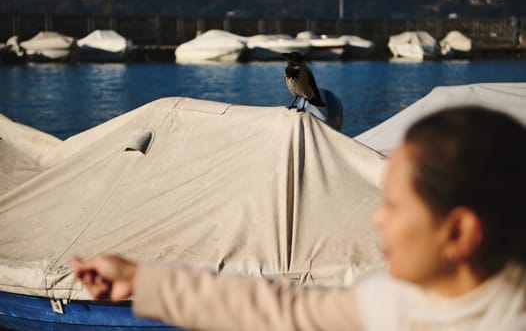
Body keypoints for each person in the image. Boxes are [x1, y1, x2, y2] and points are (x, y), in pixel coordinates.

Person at [72, 105, 526, 331]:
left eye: (393, 205)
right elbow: (281, 310)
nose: (377, 221)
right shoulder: (392, 303)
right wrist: (140, 280)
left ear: (461, 232)